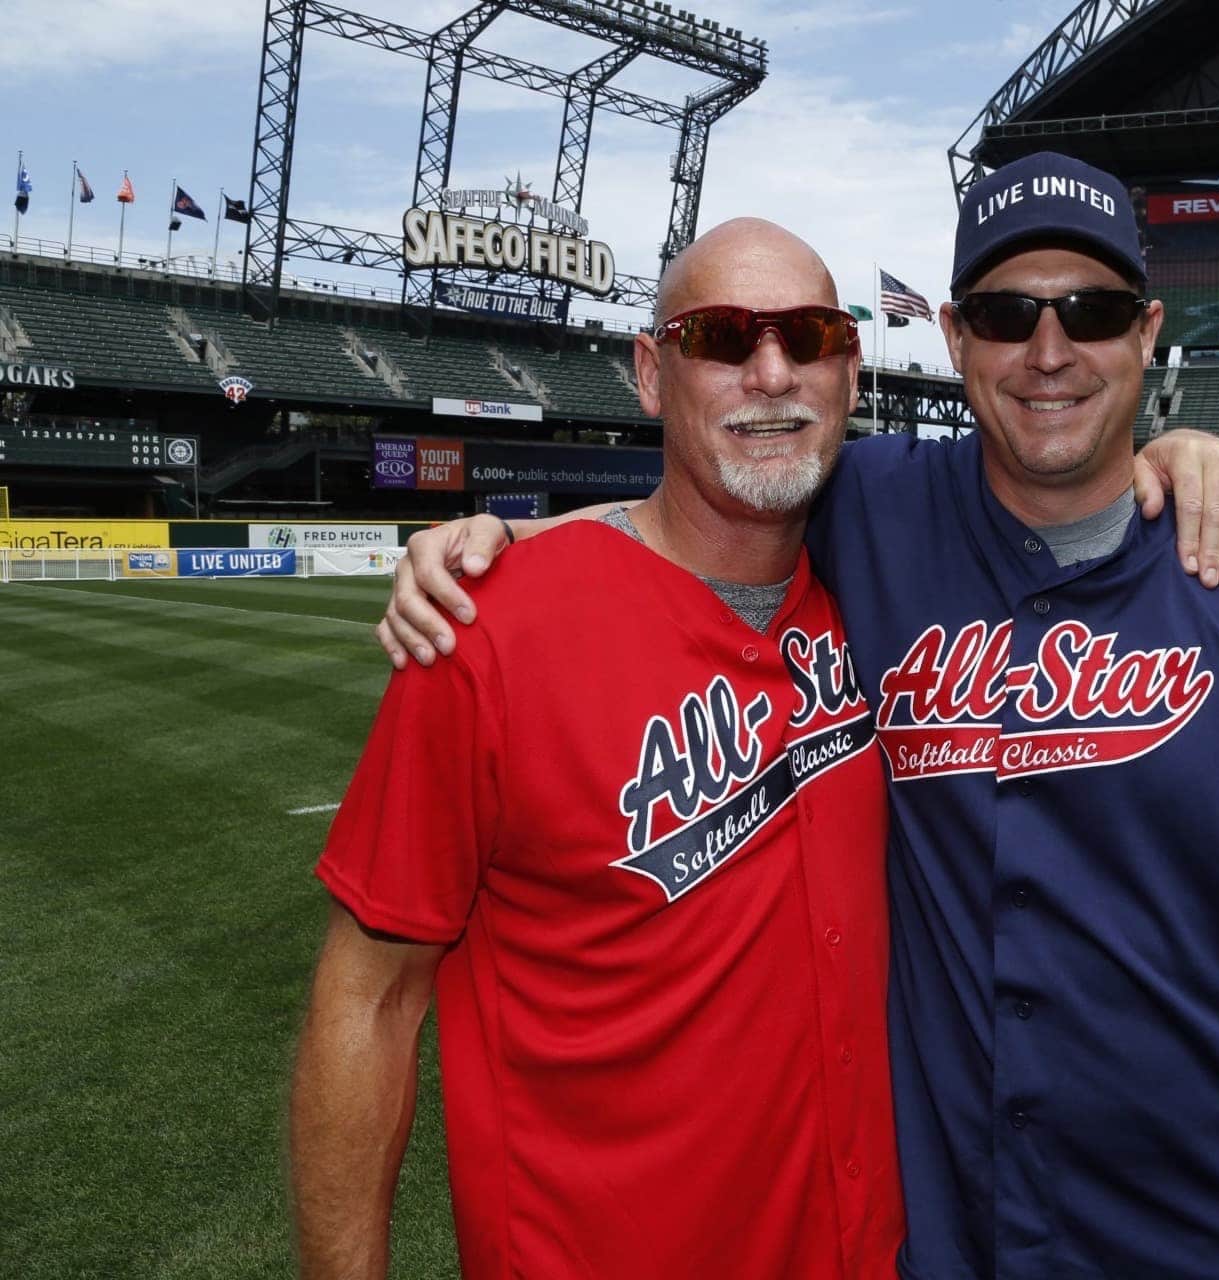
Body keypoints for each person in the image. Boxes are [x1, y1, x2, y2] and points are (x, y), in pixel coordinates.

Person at [382, 151, 1219, 1280]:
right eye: (1006, 314)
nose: (1049, 351)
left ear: (1145, 335)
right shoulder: (874, 509)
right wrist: (491, 545)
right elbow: (702, 492)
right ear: (955, 339)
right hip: (953, 1242)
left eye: (1088, 312)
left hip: (1211, 1235)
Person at [289, 219, 910, 1279]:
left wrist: (1184, 453)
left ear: (849, 371)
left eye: (807, 336)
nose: (771, 371)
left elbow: (1061, 455)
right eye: (722, 337)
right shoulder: (484, 633)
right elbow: (369, 995)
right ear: (651, 373)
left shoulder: (886, 585)